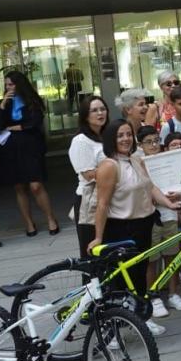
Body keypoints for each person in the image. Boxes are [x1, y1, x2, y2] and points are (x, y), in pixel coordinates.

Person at [88, 119, 181, 336]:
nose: (125, 139)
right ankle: (111, 330)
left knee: (139, 275)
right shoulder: (109, 166)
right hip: (121, 228)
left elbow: (151, 187)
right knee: (120, 281)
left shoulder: (137, 159)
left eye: (128, 134)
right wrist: (98, 237)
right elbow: (102, 204)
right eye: (120, 135)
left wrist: (169, 203)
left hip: (144, 223)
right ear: (111, 139)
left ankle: (142, 319)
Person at [0, 71, 59, 237]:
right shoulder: (6, 102)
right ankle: (29, 223)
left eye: (11, 84)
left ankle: (50, 218)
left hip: (31, 146)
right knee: (19, 186)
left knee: (35, 185)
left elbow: (33, 123)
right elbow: (0, 125)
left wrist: (16, 127)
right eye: (6, 85)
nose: (8, 88)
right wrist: (2, 105)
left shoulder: (32, 100)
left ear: (19, 84)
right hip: (11, 148)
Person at [144, 130, 181, 318]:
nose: (153, 145)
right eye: (148, 142)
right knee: (152, 259)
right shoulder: (140, 164)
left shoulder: (168, 160)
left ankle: (173, 293)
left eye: (156, 141)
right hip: (149, 217)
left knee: (172, 254)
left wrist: (178, 195)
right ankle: (153, 296)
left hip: (170, 215)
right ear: (141, 145)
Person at [70, 95, 108, 257]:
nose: (100, 113)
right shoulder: (80, 141)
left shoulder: (108, 136)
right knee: (91, 253)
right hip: (89, 200)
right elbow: (88, 175)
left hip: (109, 199)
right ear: (85, 116)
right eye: (94, 110)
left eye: (102, 109)